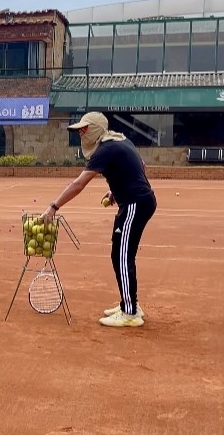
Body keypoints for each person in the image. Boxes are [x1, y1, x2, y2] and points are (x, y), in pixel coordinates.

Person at [39, 112, 156, 328]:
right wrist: (115, 191)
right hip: (135, 201)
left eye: (84, 129)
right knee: (119, 253)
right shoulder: (120, 140)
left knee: (122, 255)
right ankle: (129, 304)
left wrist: (53, 206)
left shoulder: (106, 149)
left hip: (134, 204)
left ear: (94, 130)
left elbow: (78, 184)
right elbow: (140, 166)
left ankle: (130, 312)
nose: (81, 133)